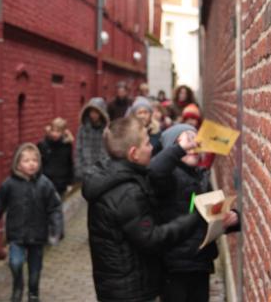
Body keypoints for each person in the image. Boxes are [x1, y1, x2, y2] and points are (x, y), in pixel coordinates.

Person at [82, 117, 201, 302]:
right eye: (147, 143)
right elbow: (152, 239)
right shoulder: (127, 193)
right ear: (134, 153)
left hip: (115, 286)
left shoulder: (114, 175)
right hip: (130, 290)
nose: (152, 148)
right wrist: (194, 218)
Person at [149, 124, 240, 302]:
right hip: (175, 266)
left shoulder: (201, 176)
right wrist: (180, 149)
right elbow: (154, 171)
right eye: (186, 142)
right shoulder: (168, 177)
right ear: (173, 149)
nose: (193, 147)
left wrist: (233, 219)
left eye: (196, 140)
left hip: (200, 262)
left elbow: (214, 216)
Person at [0, 143, 63, 302]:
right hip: (17, 234)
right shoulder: (9, 184)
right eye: (26, 160)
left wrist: (57, 228)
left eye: (35, 160)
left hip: (38, 235)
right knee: (15, 262)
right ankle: (17, 286)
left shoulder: (45, 184)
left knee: (35, 270)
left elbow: (55, 207)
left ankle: (33, 293)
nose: (31, 164)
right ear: (17, 163)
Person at [75, 97, 110, 184]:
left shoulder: (107, 131)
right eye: (91, 111)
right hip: (86, 170)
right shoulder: (83, 129)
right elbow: (78, 149)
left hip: (102, 171)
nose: (93, 114)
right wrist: (79, 168)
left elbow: (109, 150)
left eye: (97, 112)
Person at [37, 117, 74, 197]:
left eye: (58, 131)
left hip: (61, 184)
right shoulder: (43, 145)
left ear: (63, 132)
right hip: (46, 183)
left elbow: (69, 163)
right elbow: (39, 164)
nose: (55, 134)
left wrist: (70, 183)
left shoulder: (67, 145)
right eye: (53, 130)